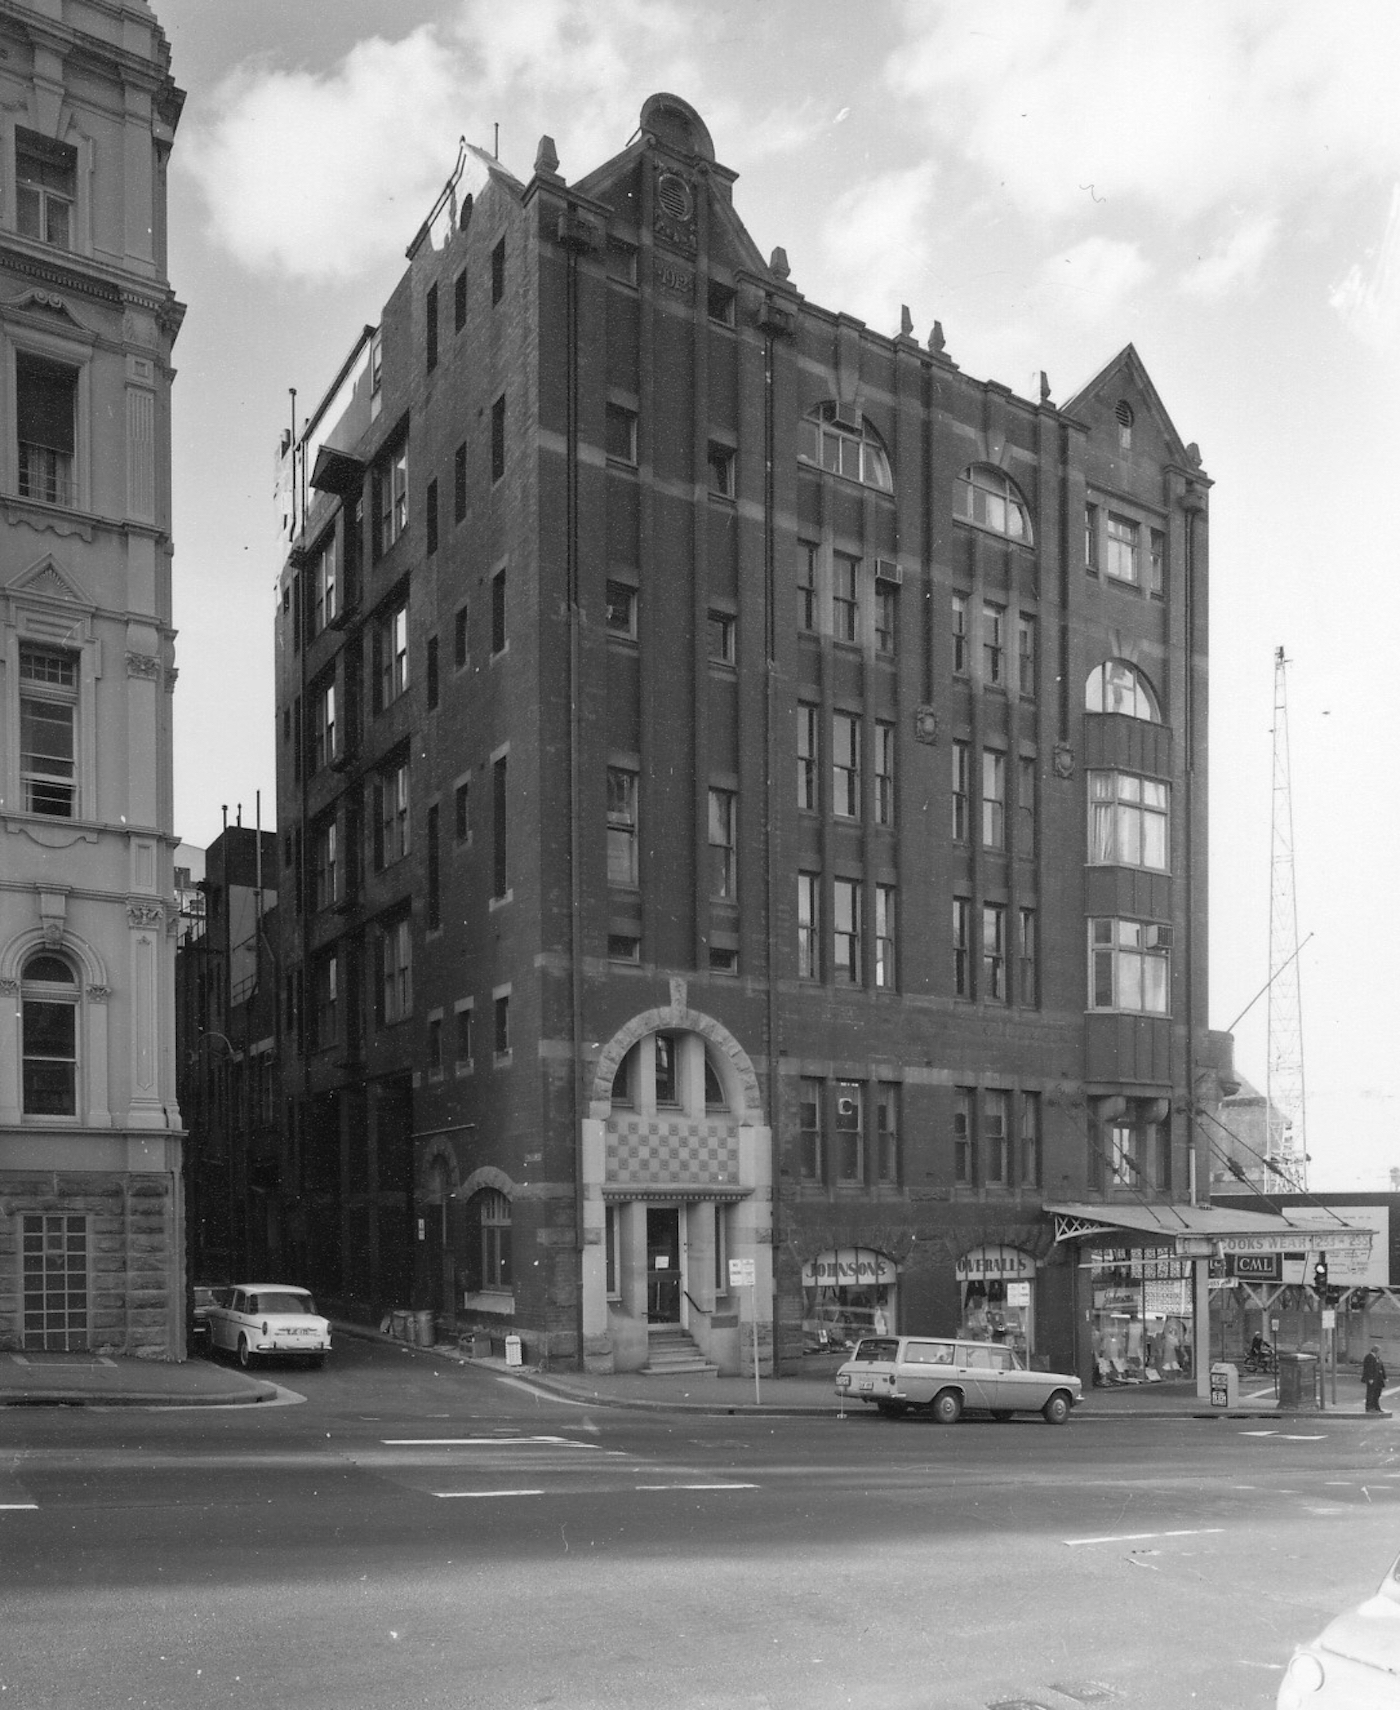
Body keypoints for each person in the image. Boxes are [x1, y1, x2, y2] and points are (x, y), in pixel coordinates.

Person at [1362, 1344, 1388, 1413]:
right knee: (1371, 1393)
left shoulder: (1377, 1358)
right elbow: (1368, 1369)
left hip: (1378, 1379)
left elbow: (1381, 1367)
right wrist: (1370, 1378)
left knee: (1377, 1393)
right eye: (1380, 1351)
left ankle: (1376, 1406)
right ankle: (1369, 1407)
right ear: (1376, 1351)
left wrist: (1385, 1377)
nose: (1380, 1353)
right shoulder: (1369, 1357)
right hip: (1372, 1379)